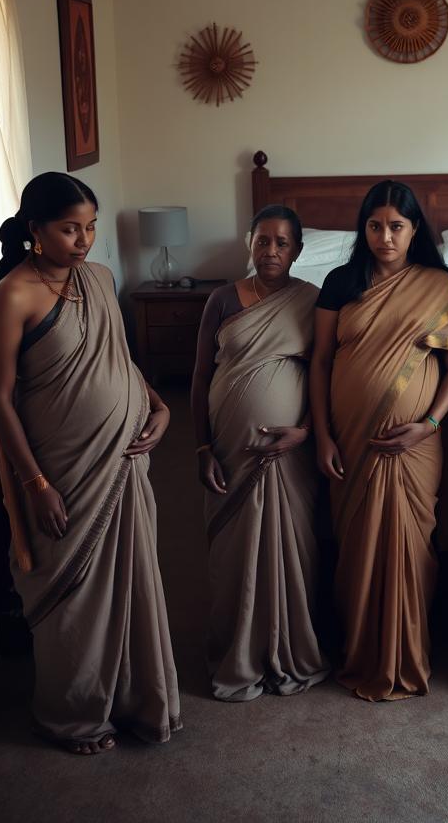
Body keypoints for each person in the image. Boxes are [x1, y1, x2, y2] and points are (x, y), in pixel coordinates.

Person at [0, 172, 180, 754]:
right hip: (63, 468)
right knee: (75, 594)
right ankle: (68, 714)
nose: (84, 240)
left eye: (90, 227)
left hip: (122, 462)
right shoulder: (13, 295)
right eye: (70, 229)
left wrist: (161, 408)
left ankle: (138, 700)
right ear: (35, 230)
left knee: (133, 582)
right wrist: (35, 482)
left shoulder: (101, 278)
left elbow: (120, 360)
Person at [309, 181, 448, 701]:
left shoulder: (439, 283)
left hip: (418, 443)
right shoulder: (339, 282)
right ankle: (361, 651)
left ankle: (409, 653)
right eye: (374, 225)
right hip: (352, 442)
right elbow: (322, 362)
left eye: (396, 226)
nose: (385, 236)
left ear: (415, 229)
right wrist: (324, 437)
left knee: (412, 545)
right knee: (356, 546)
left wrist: (432, 423)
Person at [190, 205, 330, 701]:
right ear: (249, 243)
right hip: (230, 448)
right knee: (233, 550)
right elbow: (202, 375)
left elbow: (325, 375)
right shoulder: (222, 300)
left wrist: (307, 431)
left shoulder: (313, 301)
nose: (271, 251)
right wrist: (203, 446)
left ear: (298, 250)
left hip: (291, 452)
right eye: (263, 241)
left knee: (294, 546)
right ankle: (239, 650)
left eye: (283, 243)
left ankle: (291, 647)